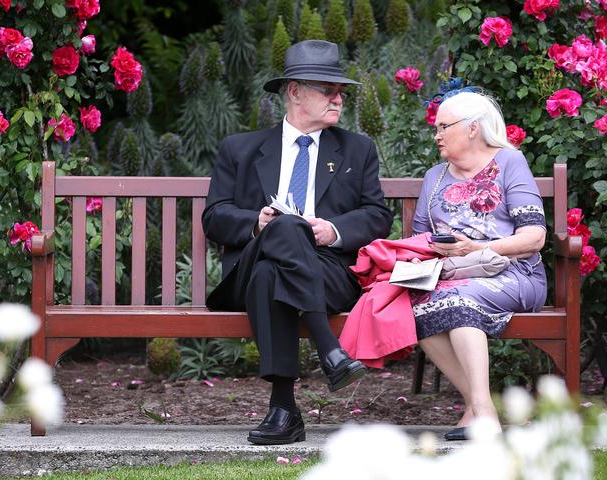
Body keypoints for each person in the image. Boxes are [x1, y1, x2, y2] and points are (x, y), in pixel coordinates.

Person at [202, 40, 393, 445]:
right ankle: (331, 350)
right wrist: (257, 222)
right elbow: (214, 217)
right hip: (249, 268)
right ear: (294, 92)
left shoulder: (357, 149)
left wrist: (332, 230)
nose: (338, 98)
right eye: (328, 90)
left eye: (341, 91)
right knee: (283, 229)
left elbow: (378, 216)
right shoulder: (240, 149)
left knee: (278, 265)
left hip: (327, 270)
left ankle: (284, 409)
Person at [410, 90, 547, 440]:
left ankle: (482, 414)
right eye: (435, 128)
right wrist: (427, 254)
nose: (436, 135)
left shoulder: (509, 163)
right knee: (415, 306)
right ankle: (481, 407)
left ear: (473, 129)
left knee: (459, 300)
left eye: (443, 127)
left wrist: (479, 246)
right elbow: (419, 240)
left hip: (514, 272)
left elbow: (534, 237)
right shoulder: (435, 177)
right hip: (451, 275)